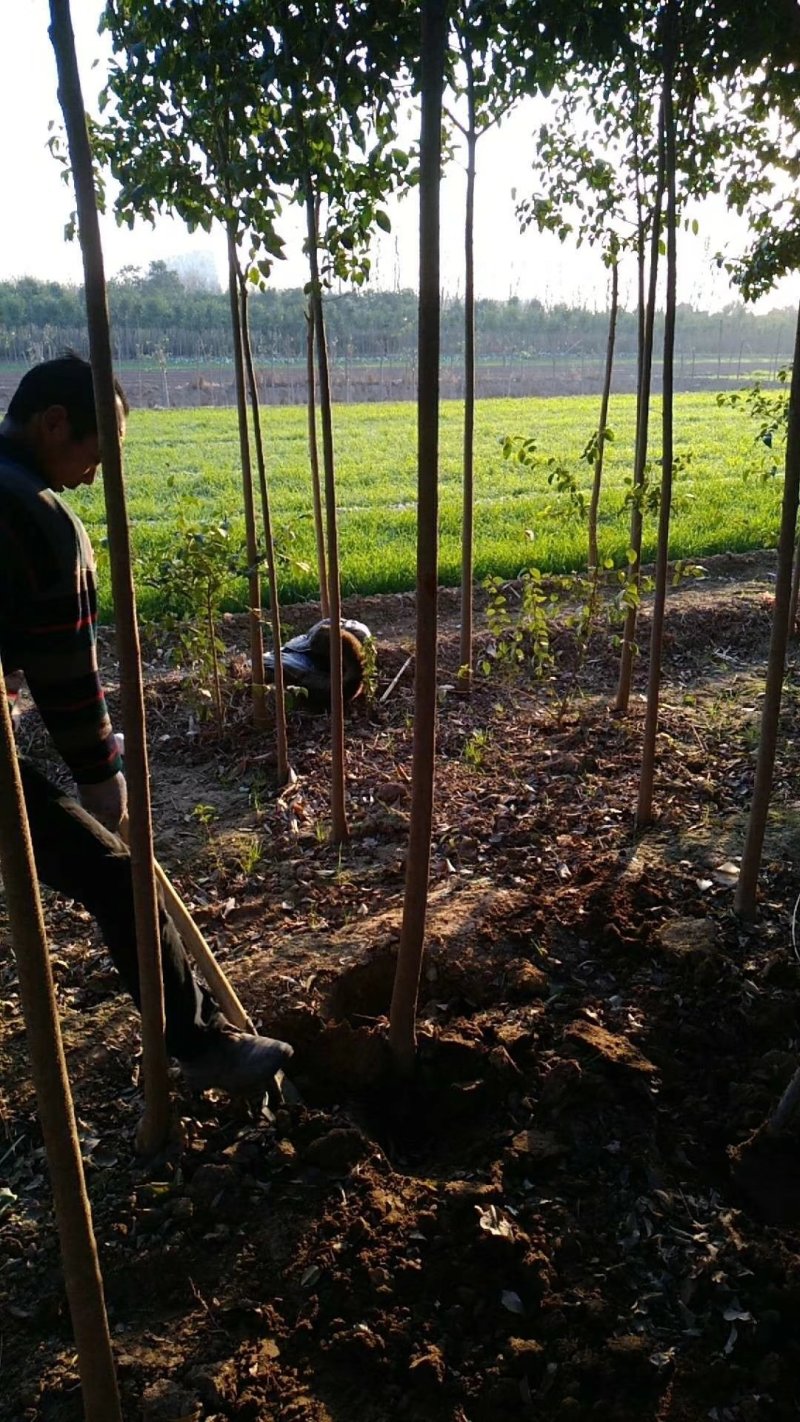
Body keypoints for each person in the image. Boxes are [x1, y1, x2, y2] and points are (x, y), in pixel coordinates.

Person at [0, 354, 292, 1094]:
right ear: (53, 422)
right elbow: (64, 670)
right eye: (95, 455)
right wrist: (102, 773)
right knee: (113, 874)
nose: (94, 477)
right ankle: (199, 1047)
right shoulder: (33, 514)